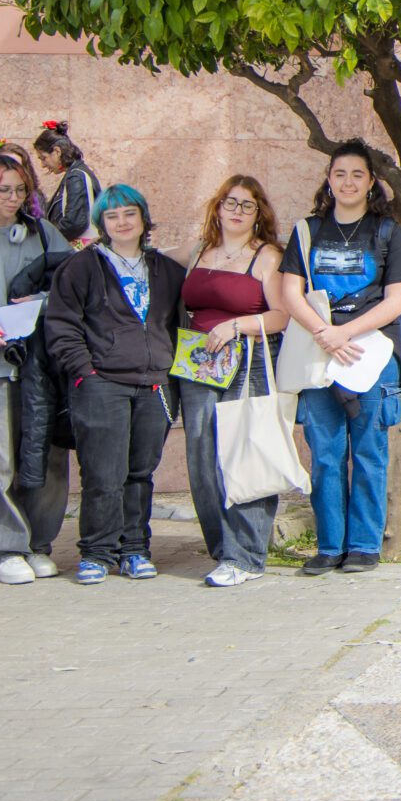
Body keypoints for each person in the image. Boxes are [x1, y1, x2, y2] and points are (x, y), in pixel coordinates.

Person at [278, 141, 401, 576]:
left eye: (357, 174)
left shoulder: (387, 232)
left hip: (370, 355)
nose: (348, 182)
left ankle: (363, 546)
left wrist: (345, 332)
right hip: (319, 354)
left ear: (371, 181)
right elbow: (290, 293)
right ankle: (329, 545)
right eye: (340, 174)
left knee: (370, 452)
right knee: (325, 454)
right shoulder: (307, 231)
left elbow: (396, 301)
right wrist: (325, 334)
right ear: (328, 179)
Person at [46, 184, 183, 585]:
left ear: (143, 218)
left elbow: (178, 323)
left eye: (129, 214)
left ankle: (135, 550)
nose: (122, 222)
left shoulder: (166, 271)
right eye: (112, 216)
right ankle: (97, 552)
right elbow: (62, 326)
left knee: (140, 473)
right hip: (101, 383)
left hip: (154, 384)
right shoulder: (81, 268)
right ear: (101, 223)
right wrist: (85, 372)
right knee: (103, 473)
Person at [171, 176, 288, 587]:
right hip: (198, 364)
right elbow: (145, 257)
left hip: (247, 360)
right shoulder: (199, 251)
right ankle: (224, 550)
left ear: (259, 213)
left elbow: (282, 316)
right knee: (202, 457)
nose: (237, 211)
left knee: (244, 452)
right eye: (231, 202)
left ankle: (247, 555)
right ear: (218, 207)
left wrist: (236, 325)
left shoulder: (267, 256)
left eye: (247, 205)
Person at [0, 154, 73, 584]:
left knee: (48, 455)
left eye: (20, 190)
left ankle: (39, 544)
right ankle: (7, 548)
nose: (13, 198)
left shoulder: (44, 233)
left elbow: (72, 284)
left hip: (42, 365)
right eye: (3, 190)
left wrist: (42, 303)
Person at [33, 121, 101, 245]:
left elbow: (74, 223)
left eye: (43, 158)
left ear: (57, 151)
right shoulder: (76, 174)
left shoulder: (76, 177)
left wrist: (46, 239)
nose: (43, 165)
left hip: (79, 252)